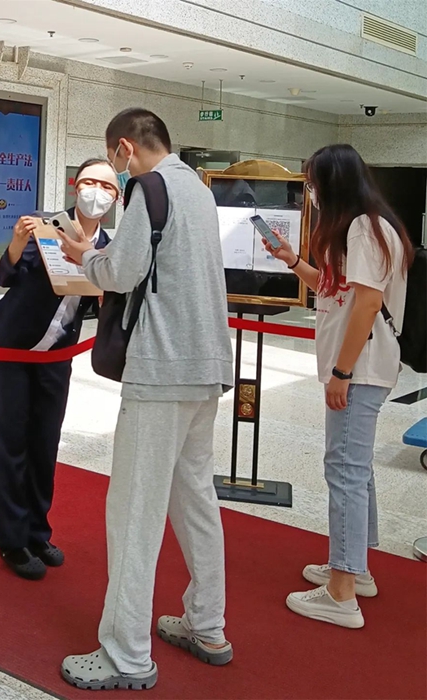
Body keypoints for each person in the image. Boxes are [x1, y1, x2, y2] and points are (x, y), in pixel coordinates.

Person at [58, 108, 234, 691]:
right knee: (195, 501)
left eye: (113, 156)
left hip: (161, 369)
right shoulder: (198, 189)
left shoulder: (147, 187)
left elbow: (123, 272)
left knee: (134, 512)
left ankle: (126, 654)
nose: (114, 168)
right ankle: (207, 624)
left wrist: (85, 255)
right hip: (205, 365)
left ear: (125, 148)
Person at [264, 144, 413, 629]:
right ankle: (355, 568)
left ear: (332, 183)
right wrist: (292, 260)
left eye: (312, 183)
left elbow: (368, 304)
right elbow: (335, 291)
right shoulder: (362, 228)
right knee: (355, 467)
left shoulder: (364, 229)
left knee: (344, 470)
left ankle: (342, 592)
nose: (310, 192)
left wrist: (342, 373)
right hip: (360, 367)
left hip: (360, 369)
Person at [0, 159, 119, 580]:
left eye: (106, 187)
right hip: (11, 348)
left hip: (58, 353)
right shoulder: (46, 226)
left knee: (45, 443)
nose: (96, 192)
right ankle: (12, 541)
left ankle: (37, 532)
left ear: (116, 197)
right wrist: (16, 243)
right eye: (89, 182)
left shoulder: (112, 247)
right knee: (11, 444)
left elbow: (107, 303)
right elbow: (6, 276)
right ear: (76, 186)